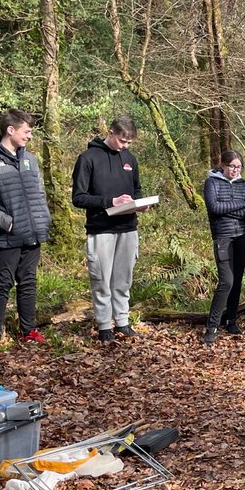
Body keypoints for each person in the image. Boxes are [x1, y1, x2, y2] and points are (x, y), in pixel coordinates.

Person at [0, 109, 53, 359]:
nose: (30, 136)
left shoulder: (30, 160)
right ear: (11, 130)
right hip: (5, 237)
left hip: (33, 233)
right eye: (27, 131)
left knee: (28, 282)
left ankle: (28, 330)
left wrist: (42, 221)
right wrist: (8, 223)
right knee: (2, 285)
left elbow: (39, 195)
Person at [71, 116, 148, 342]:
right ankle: (104, 324)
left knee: (123, 279)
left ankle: (122, 321)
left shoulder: (130, 159)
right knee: (101, 279)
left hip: (128, 227)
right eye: (122, 141)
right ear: (111, 133)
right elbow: (78, 197)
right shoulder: (88, 158)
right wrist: (110, 202)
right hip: (101, 228)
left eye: (129, 143)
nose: (125, 146)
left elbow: (137, 189)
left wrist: (140, 203)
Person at [202, 150, 245, 345]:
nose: (235, 170)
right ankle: (212, 326)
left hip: (243, 236)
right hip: (223, 237)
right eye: (232, 166)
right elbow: (214, 208)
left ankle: (231, 319)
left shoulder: (243, 184)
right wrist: (239, 204)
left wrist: (231, 209)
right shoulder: (212, 182)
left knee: (238, 279)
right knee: (226, 281)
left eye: (239, 167)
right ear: (222, 165)